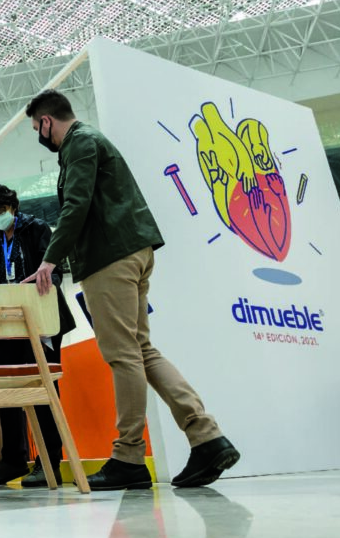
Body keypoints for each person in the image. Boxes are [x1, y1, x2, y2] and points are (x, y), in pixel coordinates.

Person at [28, 89, 240, 491]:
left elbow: (76, 204)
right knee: (141, 350)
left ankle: (128, 456)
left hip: (108, 257)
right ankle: (207, 436)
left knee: (122, 354)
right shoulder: (92, 141)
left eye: (37, 128)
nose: (40, 136)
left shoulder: (79, 144)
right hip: (132, 251)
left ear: (46, 122)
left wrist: (50, 260)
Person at [0, 184, 77, 488]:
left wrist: (41, 286)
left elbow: (55, 272)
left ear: (13, 206)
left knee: (43, 390)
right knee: (6, 389)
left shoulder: (36, 229)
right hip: (9, 325)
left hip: (41, 320)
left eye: (1, 210)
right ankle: (13, 459)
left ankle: (49, 462)